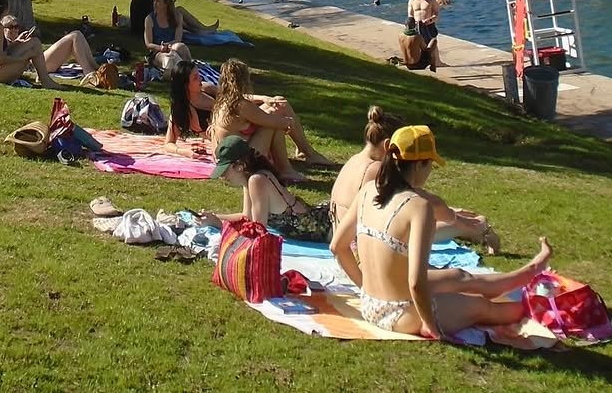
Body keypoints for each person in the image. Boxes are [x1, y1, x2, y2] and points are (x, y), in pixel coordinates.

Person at [330, 125, 552, 338]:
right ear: (419, 165)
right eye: (430, 165)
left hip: (370, 304)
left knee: (459, 277)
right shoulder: (419, 208)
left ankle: (528, 271)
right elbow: (416, 282)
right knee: (483, 308)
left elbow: (337, 247)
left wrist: (365, 287)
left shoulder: (369, 190)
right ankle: (540, 306)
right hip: (401, 314)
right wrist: (430, 324)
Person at [330, 107, 500, 252]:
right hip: (363, 243)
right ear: (388, 146)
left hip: (348, 237)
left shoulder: (355, 160)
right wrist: (454, 217)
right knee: (423, 220)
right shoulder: (376, 170)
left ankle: (473, 228)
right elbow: (416, 201)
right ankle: (477, 228)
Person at [208, 58, 333, 179]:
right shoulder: (242, 106)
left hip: (227, 158)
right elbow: (274, 122)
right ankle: (287, 169)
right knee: (273, 123)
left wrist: (264, 98)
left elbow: (244, 98)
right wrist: (289, 121)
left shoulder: (224, 100)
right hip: (239, 162)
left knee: (279, 103)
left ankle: (305, 152)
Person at [202, 136, 332, 241]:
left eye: (225, 170)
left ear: (240, 165)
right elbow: (247, 216)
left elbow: (258, 230)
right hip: (319, 220)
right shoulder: (250, 178)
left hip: (326, 227)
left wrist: (219, 224)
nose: (222, 176)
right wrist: (214, 217)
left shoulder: (257, 181)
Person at [0, 0, 96, 87]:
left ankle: (46, 79)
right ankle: (46, 80)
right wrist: (22, 57)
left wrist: (16, 42)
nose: (14, 29)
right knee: (35, 47)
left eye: (16, 27)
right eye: (11, 27)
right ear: (5, 8)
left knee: (35, 42)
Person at [144, 0, 192, 74]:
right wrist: (161, 48)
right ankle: (180, 73)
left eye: (158, 1)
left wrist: (168, 45)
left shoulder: (177, 17)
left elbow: (178, 39)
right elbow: (148, 44)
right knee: (169, 58)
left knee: (182, 47)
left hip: (173, 46)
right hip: (157, 52)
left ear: (165, 4)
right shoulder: (150, 19)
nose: (155, 4)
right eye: (154, 1)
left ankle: (188, 70)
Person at [165, 60, 214, 145]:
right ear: (185, 85)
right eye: (195, 78)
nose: (200, 79)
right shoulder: (183, 110)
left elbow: (233, 100)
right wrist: (186, 151)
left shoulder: (207, 89)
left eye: (199, 75)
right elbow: (169, 143)